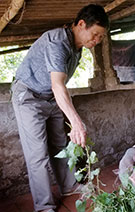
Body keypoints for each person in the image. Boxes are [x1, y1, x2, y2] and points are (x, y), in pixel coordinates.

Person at [11, 4, 109, 212]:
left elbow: (58, 87)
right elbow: (58, 85)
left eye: (100, 37)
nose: (96, 41)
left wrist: (72, 120)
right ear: (81, 24)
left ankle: (69, 187)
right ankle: (44, 206)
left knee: (60, 145)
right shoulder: (57, 42)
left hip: (50, 97)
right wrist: (77, 123)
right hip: (28, 96)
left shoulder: (78, 49)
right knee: (38, 154)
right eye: (95, 34)